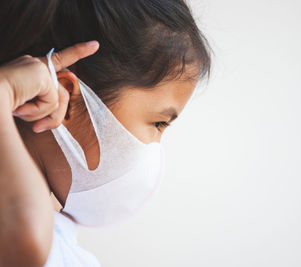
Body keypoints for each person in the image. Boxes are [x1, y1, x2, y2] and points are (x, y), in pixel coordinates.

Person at [0, 0, 212, 266]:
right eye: (158, 124)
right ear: (65, 97)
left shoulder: (64, 245)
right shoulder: (21, 233)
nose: (156, 149)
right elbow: (24, 242)